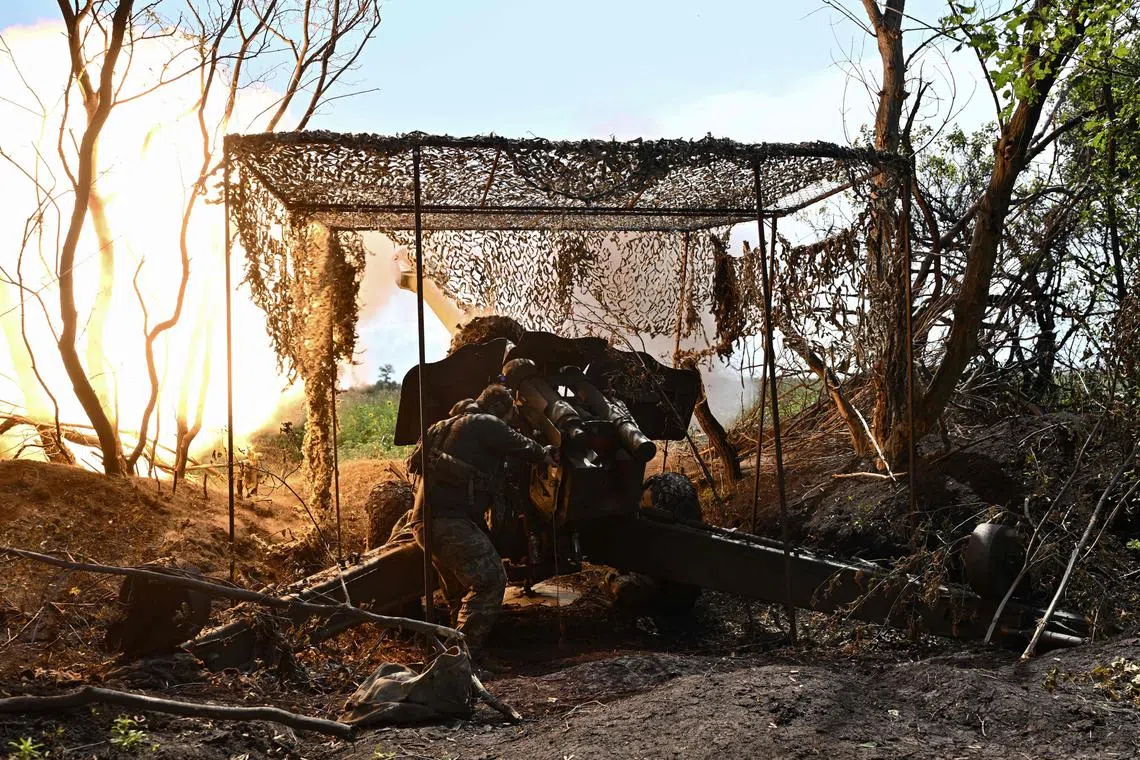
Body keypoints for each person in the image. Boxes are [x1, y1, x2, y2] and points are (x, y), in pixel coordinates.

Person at [410, 384, 554, 648]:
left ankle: (455, 662)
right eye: (510, 414)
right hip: (450, 523)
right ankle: (465, 655)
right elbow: (521, 445)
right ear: (499, 408)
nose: (511, 420)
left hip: (424, 523)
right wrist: (545, 453)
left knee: (461, 594)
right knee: (491, 581)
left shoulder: (446, 425)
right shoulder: (485, 422)